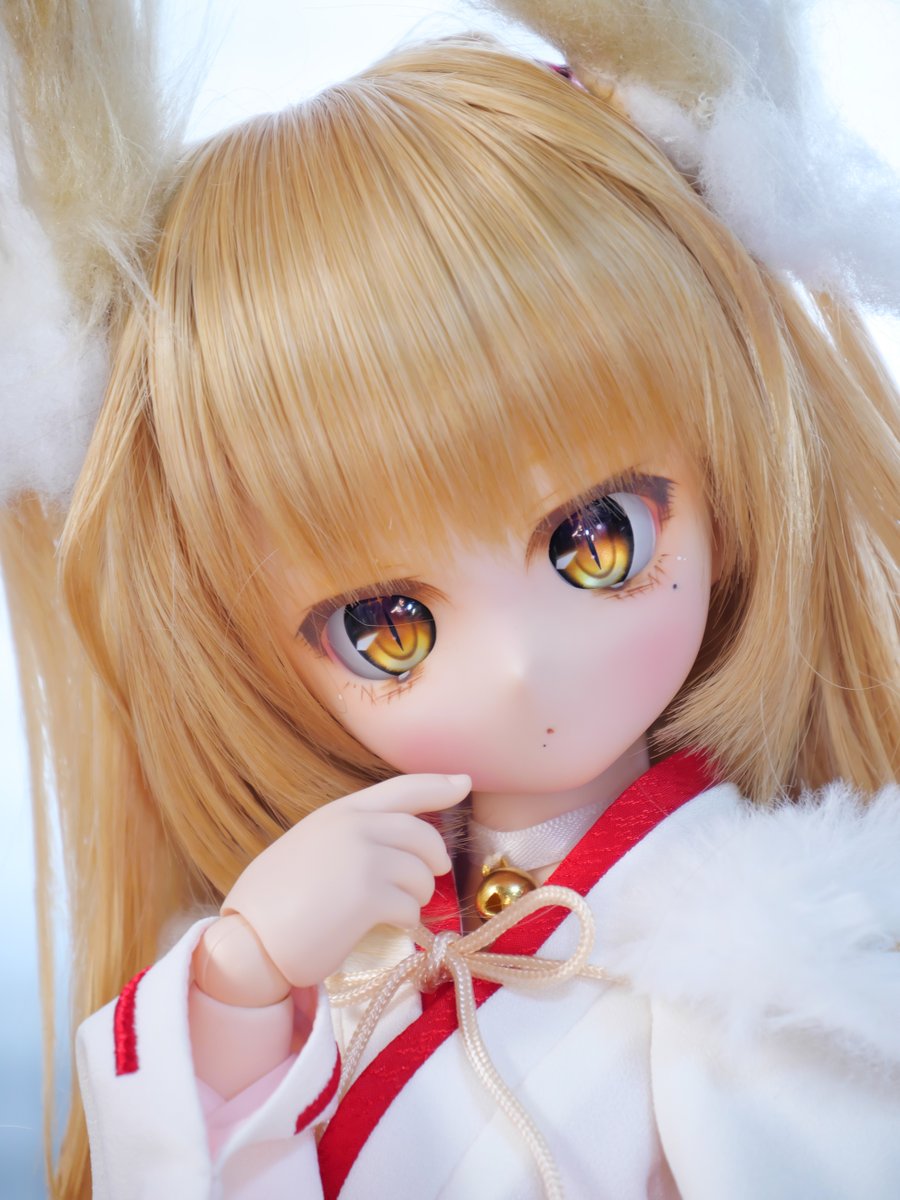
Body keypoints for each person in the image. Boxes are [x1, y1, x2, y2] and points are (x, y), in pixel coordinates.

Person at [1, 4, 898, 1198]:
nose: (521, 662)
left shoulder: (761, 959)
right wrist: (239, 987)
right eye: (388, 628)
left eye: (596, 541)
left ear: (731, 482)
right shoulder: (358, 947)